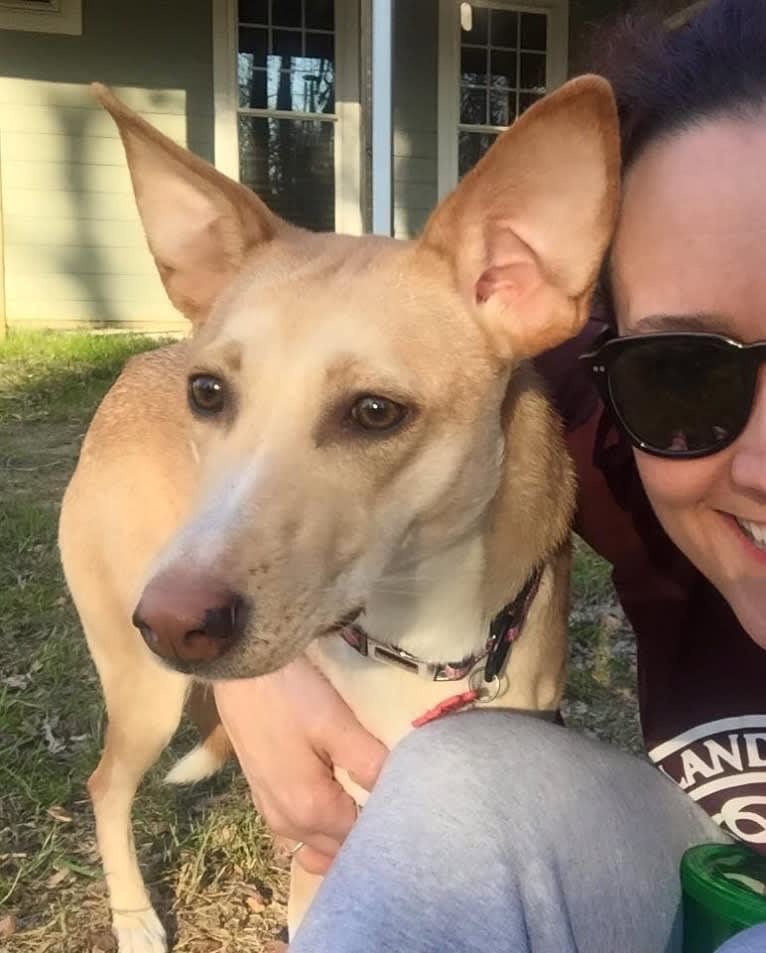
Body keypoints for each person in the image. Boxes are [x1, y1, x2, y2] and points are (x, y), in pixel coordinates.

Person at [214, 1, 766, 949]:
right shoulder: (593, 430)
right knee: (456, 778)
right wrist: (240, 647)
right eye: (687, 371)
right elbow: (234, 415)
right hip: (708, 868)